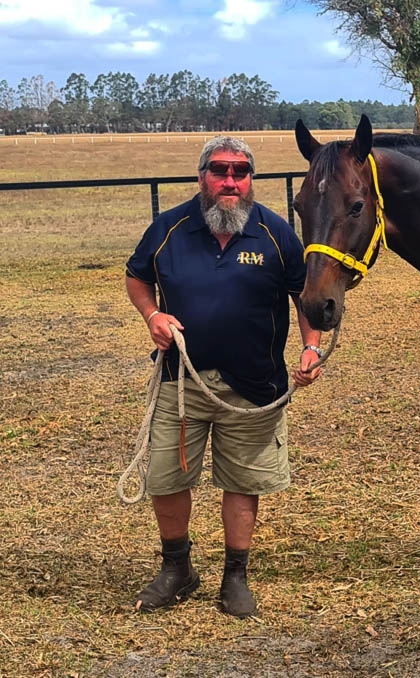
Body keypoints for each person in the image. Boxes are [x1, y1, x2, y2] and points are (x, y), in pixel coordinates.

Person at [125, 136, 323, 618]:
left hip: (255, 385)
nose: (230, 181)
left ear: (251, 179)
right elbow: (137, 276)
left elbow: (307, 297)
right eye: (219, 171)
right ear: (201, 178)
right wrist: (152, 315)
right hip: (180, 381)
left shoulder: (277, 234)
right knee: (167, 478)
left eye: (240, 171)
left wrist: (312, 345)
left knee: (241, 481)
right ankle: (178, 570)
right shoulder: (168, 228)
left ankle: (235, 577)